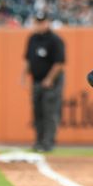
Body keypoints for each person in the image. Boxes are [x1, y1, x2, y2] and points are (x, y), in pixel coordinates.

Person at [23, 10, 65, 152]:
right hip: (36, 80)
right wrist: (24, 75)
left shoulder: (55, 40)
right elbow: (28, 59)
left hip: (51, 82)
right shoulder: (32, 38)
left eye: (42, 22)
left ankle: (48, 142)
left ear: (47, 23)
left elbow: (59, 63)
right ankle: (39, 141)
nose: (39, 25)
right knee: (37, 112)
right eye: (37, 22)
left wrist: (49, 79)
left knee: (49, 112)